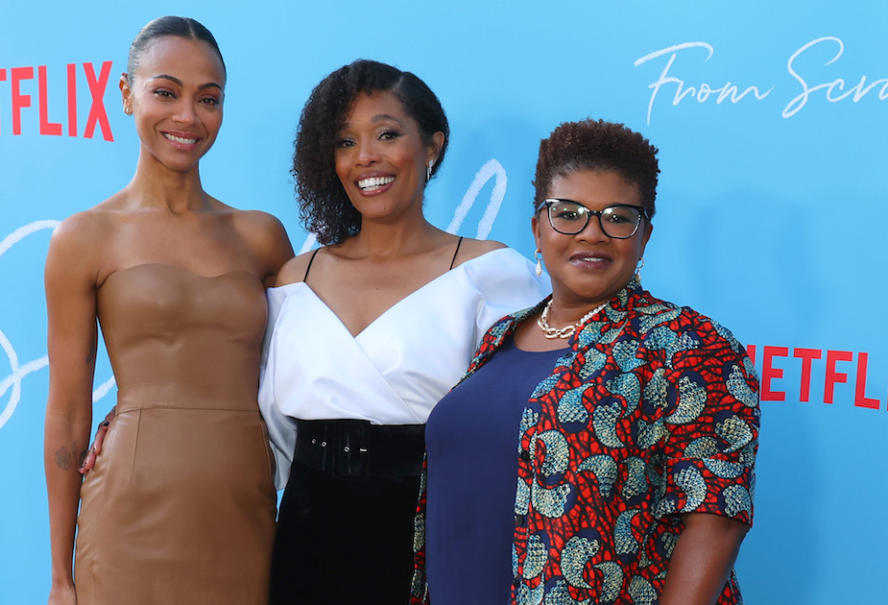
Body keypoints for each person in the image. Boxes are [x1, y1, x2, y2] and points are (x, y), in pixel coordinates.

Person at [411, 119, 760, 605]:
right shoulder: (500, 335)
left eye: (617, 217)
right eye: (568, 213)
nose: (592, 233)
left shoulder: (690, 344)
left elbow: (716, 518)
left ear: (645, 236)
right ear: (537, 228)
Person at [260, 60, 548, 604]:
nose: (365, 156)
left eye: (387, 134)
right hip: (307, 534)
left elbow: (533, 429)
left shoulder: (493, 275)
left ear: (433, 146)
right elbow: (261, 429)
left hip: (439, 532)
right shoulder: (293, 279)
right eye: (346, 141)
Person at [43, 16, 292, 605]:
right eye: (165, 91)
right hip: (127, 515)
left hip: (243, 513)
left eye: (208, 99)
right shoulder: (84, 238)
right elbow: (68, 414)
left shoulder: (261, 238)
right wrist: (60, 577)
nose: (187, 117)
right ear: (126, 93)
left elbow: (305, 377)